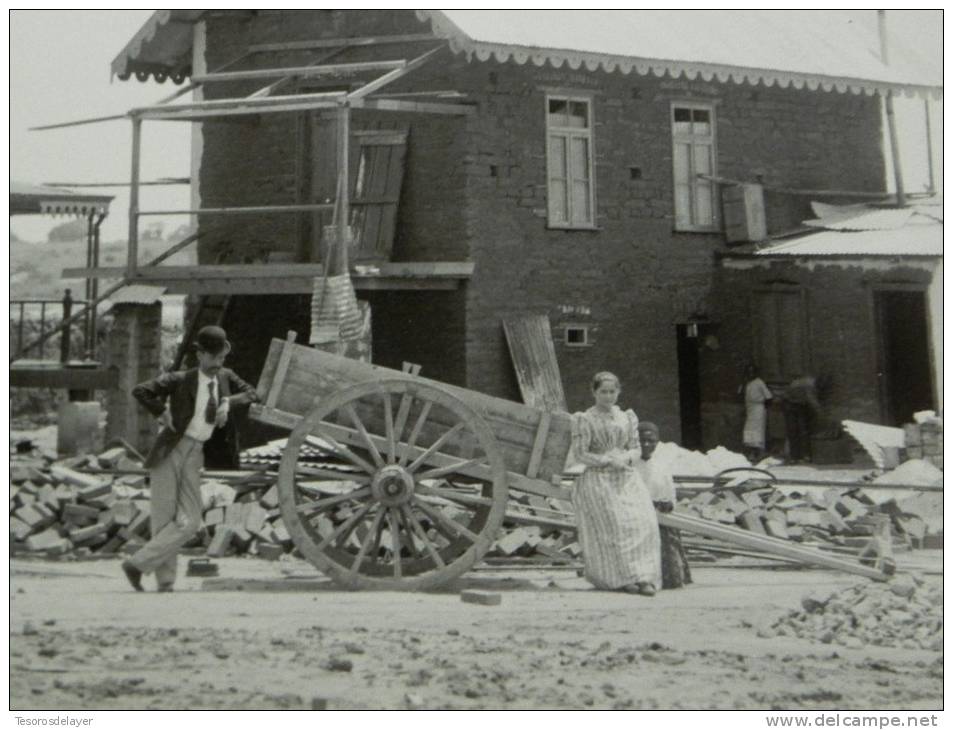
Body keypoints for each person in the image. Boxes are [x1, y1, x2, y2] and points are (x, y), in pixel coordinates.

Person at [121, 326, 260, 592]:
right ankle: (165, 582)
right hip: (170, 451)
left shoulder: (225, 377)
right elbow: (141, 391)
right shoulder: (181, 379)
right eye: (215, 358)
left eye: (222, 358)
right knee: (163, 519)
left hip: (195, 454)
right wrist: (161, 411)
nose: (219, 363)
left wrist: (228, 402)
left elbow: (252, 393)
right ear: (201, 355)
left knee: (192, 521)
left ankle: (136, 564)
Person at [570, 371, 661, 596]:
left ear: (618, 392)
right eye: (603, 392)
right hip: (598, 478)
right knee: (615, 525)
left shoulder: (626, 417)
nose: (608, 397)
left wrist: (626, 458)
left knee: (643, 522)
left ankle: (643, 577)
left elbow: (635, 446)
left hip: (625, 476)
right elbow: (580, 453)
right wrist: (608, 460)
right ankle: (620, 578)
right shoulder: (585, 419)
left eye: (612, 392)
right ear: (594, 392)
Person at [633, 422, 692, 589]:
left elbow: (670, 492)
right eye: (642, 440)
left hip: (660, 518)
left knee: (669, 551)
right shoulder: (629, 465)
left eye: (650, 441)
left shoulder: (661, 465)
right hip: (636, 518)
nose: (646, 444)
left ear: (657, 442)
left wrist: (668, 504)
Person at [779, 374, 826, 463]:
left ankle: (798, 456)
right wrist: (821, 413)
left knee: (798, 431)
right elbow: (812, 400)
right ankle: (798, 456)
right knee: (797, 431)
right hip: (791, 405)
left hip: (796, 404)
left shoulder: (809, 381)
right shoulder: (809, 385)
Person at [741, 364, 773, 462]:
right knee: (749, 429)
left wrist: (764, 407)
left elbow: (769, 396)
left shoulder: (759, 382)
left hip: (758, 408)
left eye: (752, 372)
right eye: (748, 372)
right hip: (750, 409)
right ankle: (751, 452)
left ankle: (760, 452)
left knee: (758, 430)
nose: (750, 374)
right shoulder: (748, 384)